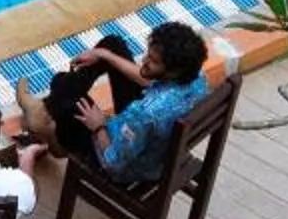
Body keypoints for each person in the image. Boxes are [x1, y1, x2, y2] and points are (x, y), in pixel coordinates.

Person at [16, 19, 212, 183]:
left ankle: (53, 133)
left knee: (64, 91)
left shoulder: (145, 115)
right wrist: (105, 55)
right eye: (148, 54)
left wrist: (99, 126)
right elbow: (149, 81)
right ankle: (44, 113)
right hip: (153, 145)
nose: (144, 60)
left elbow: (114, 161)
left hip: (123, 161)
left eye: (153, 61)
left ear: (173, 71)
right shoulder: (197, 79)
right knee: (112, 45)